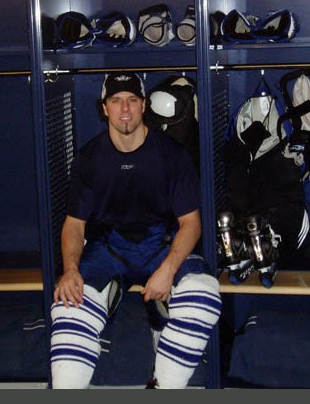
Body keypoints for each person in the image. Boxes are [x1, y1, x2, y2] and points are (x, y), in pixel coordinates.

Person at [50, 71, 222, 389]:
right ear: (104, 108)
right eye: (116, 101)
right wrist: (70, 269)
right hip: (109, 248)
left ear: (143, 105)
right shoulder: (89, 159)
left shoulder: (172, 154)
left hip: (162, 244)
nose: (125, 109)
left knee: (203, 295)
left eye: (132, 100)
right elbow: (74, 225)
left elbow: (191, 223)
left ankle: (164, 386)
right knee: (67, 304)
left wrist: (168, 269)